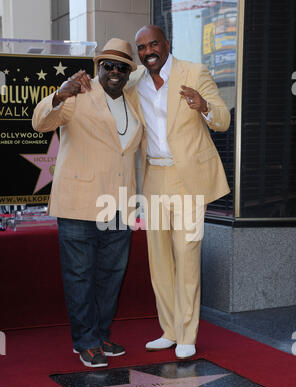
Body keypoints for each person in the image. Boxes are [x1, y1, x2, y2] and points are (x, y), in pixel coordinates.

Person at [32, 39, 146, 368]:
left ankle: (100, 332)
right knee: (80, 275)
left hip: (119, 206)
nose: (113, 71)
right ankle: (86, 340)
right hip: (78, 203)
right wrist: (58, 94)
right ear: (97, 67)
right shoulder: (78, 94)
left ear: (128, 73)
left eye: (121, 66)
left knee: (111, 274)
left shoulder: (132, 100)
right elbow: (40, 122)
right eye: (107, 65)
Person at [130, 25, 231, 359]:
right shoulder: (135, 83)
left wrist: (202, 105)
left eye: (153, 44)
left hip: (186, 178)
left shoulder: (194, 72)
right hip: (154, 177)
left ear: (167, 44)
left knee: (186, 255)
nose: (148, 51)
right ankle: (170, 330)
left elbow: (223, 119)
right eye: (141, 47)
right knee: (159, 260)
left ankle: (188, 333)